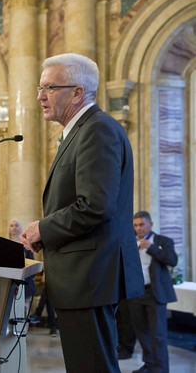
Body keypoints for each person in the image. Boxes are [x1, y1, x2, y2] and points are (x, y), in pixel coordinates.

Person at [20, 53, 144, 372]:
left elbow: (94, 205)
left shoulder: (96, 130)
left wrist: (42, 229)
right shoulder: (79, 132)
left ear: (77, 92)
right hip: (85, 276)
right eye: (40, 87)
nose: (40, 96)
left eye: (49, 87)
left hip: (90, 276)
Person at [129, 211, 177, 373]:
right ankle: (149, 365)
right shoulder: (130, 242)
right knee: (142, 333)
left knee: (158, 335)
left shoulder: (163, 241)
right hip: (135, 293)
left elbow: (172, 260)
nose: (139, 228)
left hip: (154, 293)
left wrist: (152, 248)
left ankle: (161, 369)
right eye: (136, 225)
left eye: (141, 224)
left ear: (151, 224)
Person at [8, 218, 37, 322]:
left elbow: (31, 260)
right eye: (12, 225)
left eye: (16, 225)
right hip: (10, 277)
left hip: (25, 277)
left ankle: (25, 324)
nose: (14, 228)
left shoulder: (25, 243)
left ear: (20, 227)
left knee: (25, 304)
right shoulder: (6, 243)